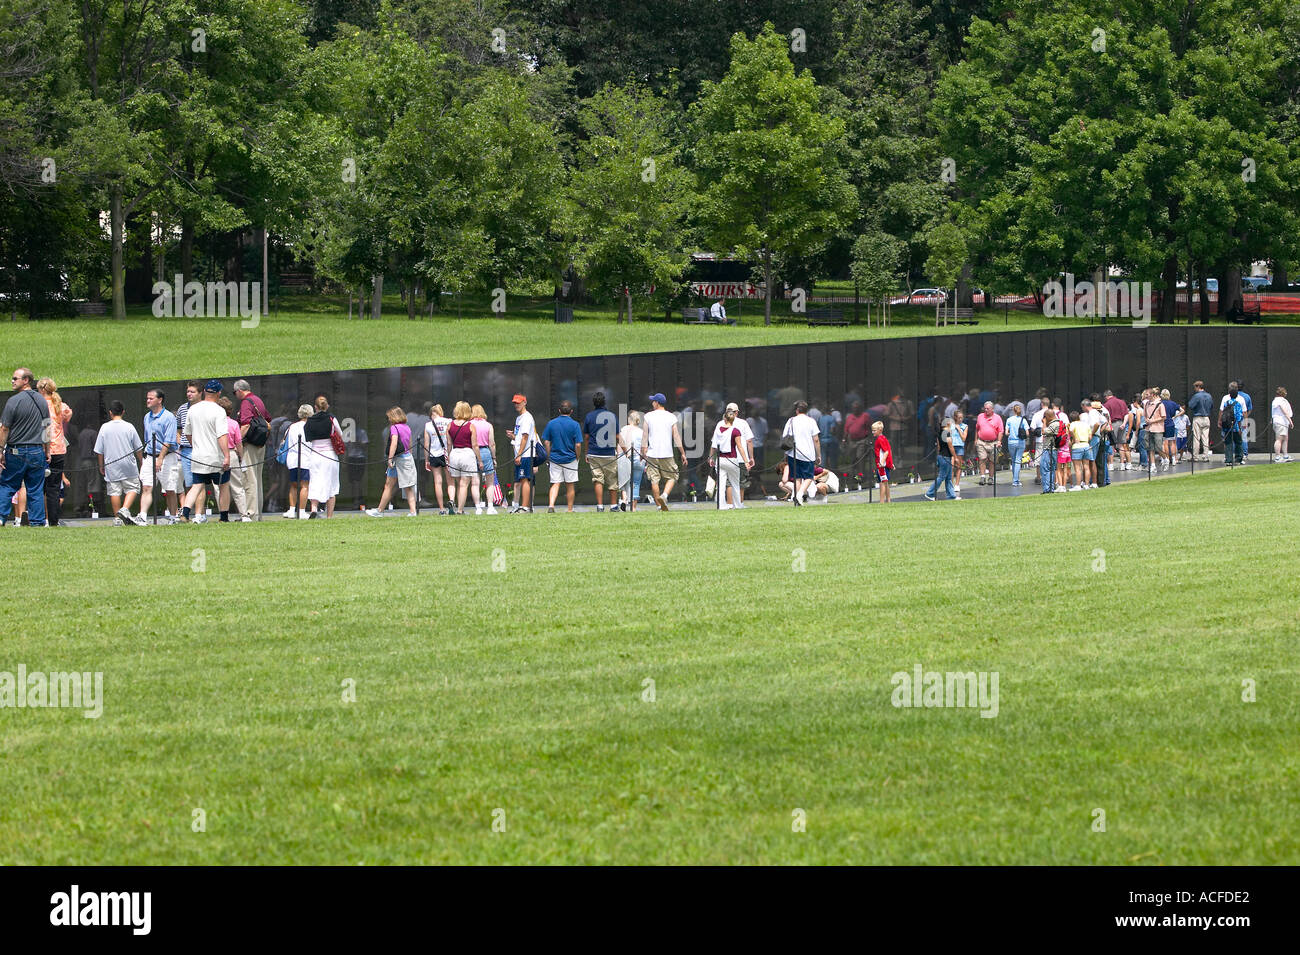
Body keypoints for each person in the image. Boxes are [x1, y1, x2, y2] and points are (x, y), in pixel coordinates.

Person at [0, 368, 51, 527]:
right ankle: (37, 522)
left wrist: (0, 450)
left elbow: (4, 428)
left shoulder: (13, 401)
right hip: (37, 451)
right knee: (35, 489)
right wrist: (47, 450)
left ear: (26, 380)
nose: (12, 381)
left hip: (16, 451)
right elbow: (47, 427)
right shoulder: (42, 400)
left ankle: (1, 517)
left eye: (15, 378)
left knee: (7, 485)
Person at [179, 380, 230, 523]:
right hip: (215, 455)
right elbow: (221, 435)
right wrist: (226, 455)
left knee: (196, 486)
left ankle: (185, 513)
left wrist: (195, 445)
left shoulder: (193, 409)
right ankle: (224, 517)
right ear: (218, 393)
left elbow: (187, 433)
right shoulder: (219, 411)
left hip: (198, 455)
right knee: (223, 485)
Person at [94, 400, 146, 525]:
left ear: (110, 413)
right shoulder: (129, 426)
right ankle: (125, 509)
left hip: (111, 464)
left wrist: (101, 465)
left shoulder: (104, 427)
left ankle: (118, 518)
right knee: (133, 487)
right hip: (128, 464)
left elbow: (99, 450)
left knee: (114, 491)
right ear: (123, 412)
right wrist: (142, 462)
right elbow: (138, 448)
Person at [367, 406, 418, 517]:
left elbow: (394, 443)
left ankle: (380, 511)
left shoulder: (394, 428)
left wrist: (389, 458)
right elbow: (409, 445)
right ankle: (413, 512)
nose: (388, 419)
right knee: (408, 486)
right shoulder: (407, 427)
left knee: (388, 486)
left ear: (393, 417)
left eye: (389, 417)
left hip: (397, 459)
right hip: (406, 457)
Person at [35, 377, 72, 526]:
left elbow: (45, 429)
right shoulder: (61, 406)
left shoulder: (40, 405)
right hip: (59, 450)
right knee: (54, 488)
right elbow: (68, 414)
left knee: (38, 486)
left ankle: (39, 518)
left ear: (42, 390)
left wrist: (46, 449)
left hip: (43, 449)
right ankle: (53, 520)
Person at [139, 387, 179, 523]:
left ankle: (173, 517)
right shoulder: (146, 417)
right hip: (149, 456)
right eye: (147, 398)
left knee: (169, 489)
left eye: (151, 398)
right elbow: (147, 438)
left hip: (166, 457)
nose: (148, 401)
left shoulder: (169, 417)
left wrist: (160, 458)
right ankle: (142, 516)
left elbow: (168, 440)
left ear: (160, 400)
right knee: (146, 487)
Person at [231, 379, 269, 520]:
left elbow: (245, 425)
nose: (235, 395)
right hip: (260, 443)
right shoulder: (258, 400)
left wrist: (237, 443)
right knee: (257, 480)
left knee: (249, 480)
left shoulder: (246, 402)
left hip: (250, 445)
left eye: (235, 393)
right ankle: (257, 513)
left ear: (240, 391)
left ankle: (251, 514)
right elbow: (268, 419)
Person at [642, 393, 686, 511]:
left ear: (657, 403)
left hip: (652, 453)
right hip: (667, 452)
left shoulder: (648, 416)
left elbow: (645, 436)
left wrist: (643, 452)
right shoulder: (671, 417)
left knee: (654, 479)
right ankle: (664, 496)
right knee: (673, 475)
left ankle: (659, 506)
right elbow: (676, 436)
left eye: (653, 401)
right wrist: (682, 452)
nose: (652, 403)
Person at [303, 394, 342, 517]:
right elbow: (340, 433)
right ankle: (329, 516)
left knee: (315, 481)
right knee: (331, 484)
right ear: (327, 406)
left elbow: (307, 437)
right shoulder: (331, 418)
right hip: (329, 454)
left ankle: (314, 508)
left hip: (315, 455)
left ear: (315, 407)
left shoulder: (310, 420)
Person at [542, 400, 582, 513]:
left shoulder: (551, 423)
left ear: (559, 410)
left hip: (555, 458)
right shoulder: (575, 425)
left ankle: (551, 506)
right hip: (571, 458)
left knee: (555, 483)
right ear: (571, 411)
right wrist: (577, 456)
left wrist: (549, 456)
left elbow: (546, 442)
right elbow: (578, 444)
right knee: (570, 485)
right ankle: (569, 509)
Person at [583, 392, 619, 512]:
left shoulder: (589, 416)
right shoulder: (612, 416)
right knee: (612, 479)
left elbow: (587, 437)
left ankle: (600, 505)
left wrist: (586, 452)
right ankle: (613, 505)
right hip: (609, 452)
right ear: (604, 402)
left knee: (598, 479)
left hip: (594, 452)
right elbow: (617, 436)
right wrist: (623, 449)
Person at [780, 400, 821, 505]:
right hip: (808, 454)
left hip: (793, 453)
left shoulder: (791, 421)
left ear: (797, 410)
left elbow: (785, 437)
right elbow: (816, 439)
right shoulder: (811, 421)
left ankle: (796, 497)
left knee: (797, 477)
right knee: (808, 477)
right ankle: (799, 494)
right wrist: (818, 455)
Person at [708, 402, 748, 509]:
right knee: (735, 483)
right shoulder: (735, 431)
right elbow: (740, 447)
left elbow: (714, 445)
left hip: (720, 460)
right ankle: (737, 504)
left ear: (724, 418)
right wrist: (746, 461)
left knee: (721, 484)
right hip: (732, 459)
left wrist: (711, 457)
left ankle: (721, 505)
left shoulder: (718, 429)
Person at [446, 400, 481, 515]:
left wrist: (449, 457)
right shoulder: (471, 426)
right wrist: (479, 460)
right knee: (464, 485)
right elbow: (475, 445)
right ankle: (460, 510)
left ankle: (455, 505)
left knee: (458, 482)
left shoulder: (450, 425)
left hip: (455, 454)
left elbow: (449, 444)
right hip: (467, 454)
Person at [216, 396, 244, 521]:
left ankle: (223, 514)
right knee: (237, 486)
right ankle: (244, 514)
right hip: (232, 453)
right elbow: (239, 442)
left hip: (217, 454)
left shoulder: (215, 423)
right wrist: (241, 457)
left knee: (218, 487)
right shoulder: (234, 423)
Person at [506, 394, 535, 514]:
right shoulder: (519, 418)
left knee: (524, 479)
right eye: (515, 403)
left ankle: (525, 507)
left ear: (525, 402)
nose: (516, 405)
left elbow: (525, 437)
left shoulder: (527, 417)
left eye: (518, 402)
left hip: (525, 454)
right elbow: (520, 437)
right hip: (520, 453)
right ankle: (519, 506)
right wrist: (513, 436)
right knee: (519, 480)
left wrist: (519, 454)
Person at [282, 404, 312, 518]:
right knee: (304, 485)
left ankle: (292, 509)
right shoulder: (309, 426)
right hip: (305, 458)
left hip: (292, 459)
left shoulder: (292, 426)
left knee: (294, 485)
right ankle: (302, 511)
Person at [423, 403, 451, 514]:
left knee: (438, 482)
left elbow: (426, 444)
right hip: (447, 454)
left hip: (434, 454)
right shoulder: (449, 421)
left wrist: (426, 460)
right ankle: (452, 504)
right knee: (450, 482)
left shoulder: (428, 425)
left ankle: (441, 508)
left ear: (431, 414)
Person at [175, 380, 202, 495]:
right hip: (186, 451)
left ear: (200, 393)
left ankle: (199, 513)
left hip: (202, 450)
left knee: (200, 484)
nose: (189, 394)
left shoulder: (205, 408)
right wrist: (180, 441)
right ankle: (189, 511)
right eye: (188, 391)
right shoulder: (182, 409)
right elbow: (178, 429)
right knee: (189, 484)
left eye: (192, 392)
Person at [471, 404, 499, 514]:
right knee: (490, 482)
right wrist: (494, 457)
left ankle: (478, 507)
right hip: (486, 452)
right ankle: (490, 506)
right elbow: (492, 444)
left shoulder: (470, 424)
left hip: (472, 453)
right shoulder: (488, 425)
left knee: (475, 482)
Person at [618, 410, 646, 511]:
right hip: (639, 459)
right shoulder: (642, 432)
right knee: (636, 483)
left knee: (625, 481)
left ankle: (624, 500)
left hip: (625, 457)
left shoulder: (624, 429)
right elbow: (644, 447)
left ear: (629, 419)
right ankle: (633, 507)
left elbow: (620, 443)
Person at [924, 417, 956, 501]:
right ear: (947, 423)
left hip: (942, 456)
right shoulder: (947, 433)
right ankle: (930, 493)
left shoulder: (940, 433)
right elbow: (950, 446)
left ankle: (951, 495)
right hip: (946, 457)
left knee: (948, 477)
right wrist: (955, 457)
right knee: (941, 477)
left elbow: (938, 446)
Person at [974, 400, 1004, 485]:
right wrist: (975, 439)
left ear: (992, 409)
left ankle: (991, 477)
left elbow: (1001, 431)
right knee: (982, 459)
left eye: (988, 409)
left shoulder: (997, 418)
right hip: (981, 441)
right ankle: (982, 477)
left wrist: (999, 441)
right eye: (985, 408)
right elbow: (977, 428)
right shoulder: (980, 416)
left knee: (992, 461)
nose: (986, 410)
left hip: (993, 442)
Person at [1220, 381, 1247, 465]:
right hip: (1235, 426)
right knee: (1238, 442)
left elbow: (1221, 411)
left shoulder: (1225, 401)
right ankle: (1238, 458)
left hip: (1227, 425)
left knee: (1228, 442)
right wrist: (1240, 427)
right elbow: (1239, 416)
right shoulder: (1239, 402)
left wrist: (1220, 421)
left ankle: (1228, 459)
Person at [843, 400, 872, 477]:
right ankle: (853, 475)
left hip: (862, 440)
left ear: (860, 408)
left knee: (860, 457)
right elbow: (846, 429)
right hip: (852, 441)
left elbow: (869, 427)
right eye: (853, 408)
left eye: (856, 408)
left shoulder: (865, 416)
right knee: (852, 459)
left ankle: (861, 475)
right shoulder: (849, 417)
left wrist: (870, 439)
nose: (855, 409)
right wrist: (844, 440)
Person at [1186, 380, 1214, 461]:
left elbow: (1191, 405)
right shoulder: (1209, 396)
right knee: (1205, 438)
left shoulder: (1197, 396)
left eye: (1195, 387)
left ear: (1198, 387)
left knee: (1196, 438)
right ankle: (1206, 456)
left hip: (1198, 417)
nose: (1194, 389)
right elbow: (1211, 406)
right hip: (1206, 418)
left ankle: (1195, 457)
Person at [1142, 388, 1167, 473]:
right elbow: (1145, 415)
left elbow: (1163, 417)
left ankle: (1165, 458)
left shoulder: (1160, 404)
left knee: (1158, 447)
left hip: (1158, 428)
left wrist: (1153, 421)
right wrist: (1147, 420)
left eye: (1147, 394)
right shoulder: (1146, 404)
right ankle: (1153, 465)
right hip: (1149, 429)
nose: (1146, 396)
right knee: (1150, 448)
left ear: (1152, 394)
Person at [1068, 410, 1092, 490]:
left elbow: (1070, 431)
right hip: (1086, 445)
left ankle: (1078, 485)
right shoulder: (1085, 424)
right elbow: (1090, 436)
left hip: (1077, 446)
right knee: (1086, 467)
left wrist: (1074, 438)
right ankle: (1086, 484)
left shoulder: (1072, 424)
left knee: (1077, 468)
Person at [1005, 402, 1027, 486]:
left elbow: (1006, 433)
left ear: (1013, 411)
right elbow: (1027, 433)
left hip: (1011, 441)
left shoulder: (1009, 420)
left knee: (1014, 460)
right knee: (1018, 460)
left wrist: (1011, 432)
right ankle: (1016, 480)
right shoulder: (1023, 420)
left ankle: (1015, 479)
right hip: (1020, 442)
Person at [872, 420, 893, 503]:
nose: (873, 432)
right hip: (884, 464)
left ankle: (881, 502)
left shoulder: (880, 439)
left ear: (880, 430)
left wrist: (882, 462)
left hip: (882, 465)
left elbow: (886, 451)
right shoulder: (883, 438)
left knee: (882, 483)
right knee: (885, 482)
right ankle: (888, 500)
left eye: (874, 430)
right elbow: (888, 450)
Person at [1038, 409, 1059, 493]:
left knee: (1045, 468)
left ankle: (1047, 489)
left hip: (1049, 449)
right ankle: (1051, 487)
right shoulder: (1059, 423)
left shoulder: (1053, 425)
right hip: (1054, 449)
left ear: (1048, 416)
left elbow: (1043, 431)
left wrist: (1044, 423)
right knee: (1052, 469)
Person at [950, 409, 968, 498]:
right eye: (959, 418)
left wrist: (959, 429)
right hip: (952, 447)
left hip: (960, 447)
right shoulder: (950, 425)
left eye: (962, 418)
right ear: (955, 417)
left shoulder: (965, 426)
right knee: (951, 466)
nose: (961, 419)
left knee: (959, 466)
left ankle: (957, 484)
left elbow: (964, 438)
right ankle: (950, 484)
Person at [1159, 388, 1179, 469]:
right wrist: (1175, 416)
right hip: (1171, 423)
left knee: (1164, 443)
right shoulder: (1173, 403)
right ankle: (1174, 459)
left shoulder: (1160, 403)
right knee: (1172, 442)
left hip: (1163, 424)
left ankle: (1166, 458)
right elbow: (1182, 410)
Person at [1271, 387, 1293, 462]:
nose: (1286, 393)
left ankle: (1285, 455)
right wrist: (1290, 421)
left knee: (1285, 439)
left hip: (1283, 422)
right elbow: (1284, 411)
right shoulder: (1279, 401)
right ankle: (1277, 457)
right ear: (1282, 393)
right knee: (1279, 439)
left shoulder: (1278, 400)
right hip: (1280, 422)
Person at [1237, 384, 1254, 460]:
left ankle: (1234, 453)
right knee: (1244, 437)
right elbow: (1249, 409)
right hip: (1243, 419)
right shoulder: (1247, 396)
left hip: (1234, 419)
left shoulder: (1231, 396)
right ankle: (1244, 454)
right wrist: (1246, 416)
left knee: (1233, 436)